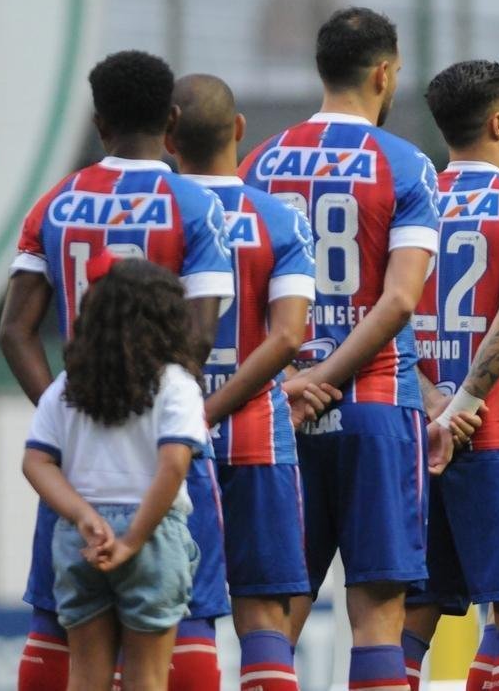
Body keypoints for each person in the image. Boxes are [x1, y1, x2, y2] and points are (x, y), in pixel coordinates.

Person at [0, 50, 234, 691]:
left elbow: (14, 330)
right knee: (179, 632)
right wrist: (151, 404)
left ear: (98, 123)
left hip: (77, 470)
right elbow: (202, 333)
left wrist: (74, 410)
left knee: (63, 637)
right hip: (158, 460)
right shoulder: (192, 203)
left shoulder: (55, 202)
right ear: (173, 119)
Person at [239, 7, 439, 691]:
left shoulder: (258, 163)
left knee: (273, 614)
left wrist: (296, 379)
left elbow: (244, 299)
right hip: (377, 409)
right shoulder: (406, 165)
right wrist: (330, 373)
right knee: (379, 615)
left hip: (280, 416)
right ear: (383, 72)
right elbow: (400, 300)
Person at [401, 60, 499, 691]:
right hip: (498, 437)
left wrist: (432, 403)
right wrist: (464, 405)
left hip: (415, 434)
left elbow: (388, 310)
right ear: (498, 121)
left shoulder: (414, 201)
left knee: (411, 617)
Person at [167, 74, 319, 691]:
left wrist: (192, 413)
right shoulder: (280, 219)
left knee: (185, 610)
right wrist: (224, 407)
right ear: (237, 131)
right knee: (264, 614)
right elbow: (287, 338)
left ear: (170, 135)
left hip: (170, 438)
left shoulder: (159, 209)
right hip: (257, 431)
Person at [23, 258, 207, 691]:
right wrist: (132, 540)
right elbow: (174, 464)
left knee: (85, 677)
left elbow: (36, 461)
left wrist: (83, 516)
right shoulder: (176, 384)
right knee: (147, 677)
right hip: (154, 534)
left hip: (82, 537)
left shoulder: (67, 387)